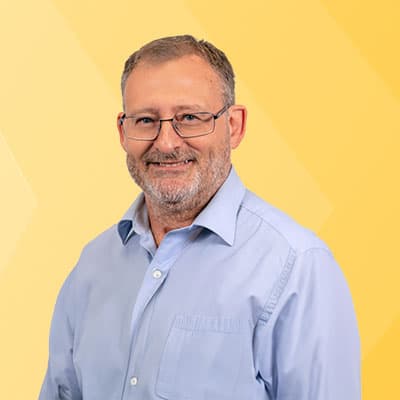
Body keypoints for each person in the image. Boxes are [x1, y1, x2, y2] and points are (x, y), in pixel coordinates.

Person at [39, 35, 360, 400]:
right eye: (145, 120)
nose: (166, 143)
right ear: (123, 132)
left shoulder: (296, 267)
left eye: (190, 118)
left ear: (234, 125)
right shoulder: (92, 267)